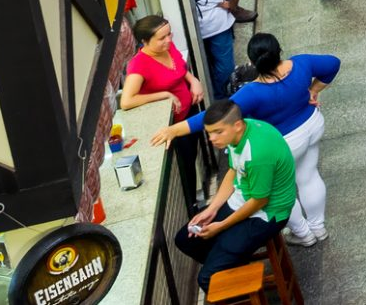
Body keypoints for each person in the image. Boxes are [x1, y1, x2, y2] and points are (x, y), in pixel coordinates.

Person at [159, 35, 340, 246]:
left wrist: (173, 130)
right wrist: (313, 90)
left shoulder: (252, 92)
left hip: (286, 143)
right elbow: (333, 64)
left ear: (253, 63)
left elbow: (214, 116)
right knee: (308, 175)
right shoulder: (301, 63)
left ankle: (303, 234)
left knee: (278, 191)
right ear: (279, 51)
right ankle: (319, 228)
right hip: (313, 125)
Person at [173, 101, 295, 289]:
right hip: (243, 200)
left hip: (268, 214)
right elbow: (233, 170)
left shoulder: (257, 153)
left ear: (237, 125)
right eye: (209, 132)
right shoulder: (237, 135)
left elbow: (259, 201)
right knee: (185, 239)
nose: (212, 139)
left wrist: (220, 227)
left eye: (217, 132)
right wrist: (212, 209)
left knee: (207, 279)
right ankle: (232, 269)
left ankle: (230, 274)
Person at [123, 14, 206, 198]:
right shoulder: (139, 65)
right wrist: (164, 94)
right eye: (161, 38)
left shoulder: (168, 47)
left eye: (169, 34)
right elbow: (127, 101)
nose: (168, 40)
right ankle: (191, 205)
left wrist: (193, 81)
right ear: (145, 41)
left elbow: (180, 69)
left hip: (189, 112)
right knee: (185, 166)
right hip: (173, 125)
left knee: (192, 157)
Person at [186, 0, 245, 96]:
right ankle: (223, 96)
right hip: (215, 19)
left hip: (187, 24)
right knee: (224, 64)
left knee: (202, 63)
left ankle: (211, 95)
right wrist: (233, 4)